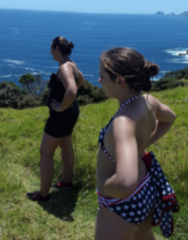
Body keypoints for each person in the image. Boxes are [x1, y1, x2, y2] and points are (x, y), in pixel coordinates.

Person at [93, 47, 179, 239]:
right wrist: (143, 144)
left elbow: (124, 183)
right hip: (146, 188)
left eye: (102, 76)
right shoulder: (149, 102)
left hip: (121, 204)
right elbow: (169, 118)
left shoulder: (123, 123)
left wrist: (103, 185)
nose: (99, 80)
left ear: (120, 82)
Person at [26, 36, 84, 202]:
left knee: (45, 153)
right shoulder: (71, 64)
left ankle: (43, 195)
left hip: (61, 115)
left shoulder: (65, 68)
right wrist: (66, 105)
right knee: (66, 145)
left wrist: (60, 107)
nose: (50, 51)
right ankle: (66, 182)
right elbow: (81, 80)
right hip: (71, 112)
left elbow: (72, 90)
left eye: (51, 48)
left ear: (58, 49)